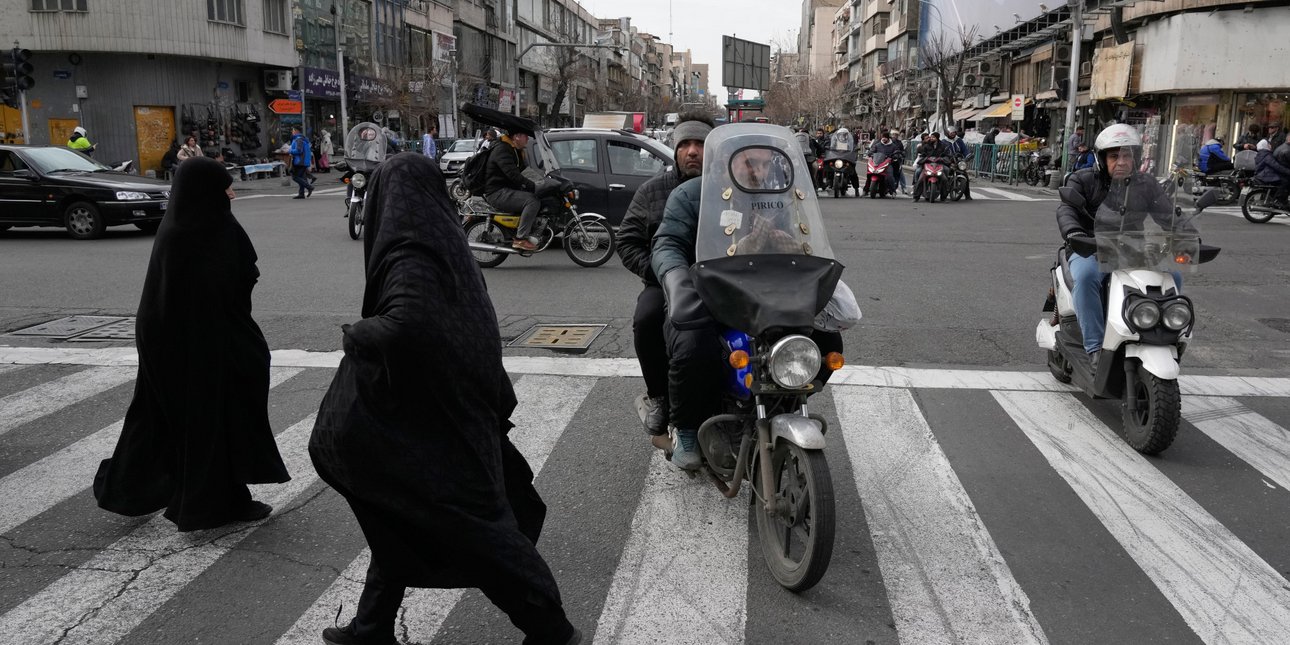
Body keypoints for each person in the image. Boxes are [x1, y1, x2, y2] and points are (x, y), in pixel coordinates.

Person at [309, 153, 579, 645]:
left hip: (437, 420)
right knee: (398, 516)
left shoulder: (410, 252)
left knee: (471, 529)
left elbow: (407, 325)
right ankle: (371, 628)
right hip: (447, 404)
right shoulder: (442, 240)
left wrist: (358, 335)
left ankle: (552, 630)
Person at [93, 156, 288, 532]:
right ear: (204, 192)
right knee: (200, 420)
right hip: (185, 343)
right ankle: (208, 504)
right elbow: (217, 288)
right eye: (224, 188)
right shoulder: (188, 233)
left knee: (189, 418)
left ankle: (133, 488)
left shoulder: (199, 223)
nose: (232, 194)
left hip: (194, 337)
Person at [650, 129, 845, 470]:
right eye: (750, 163)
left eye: (765, 164)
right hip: (708, 288)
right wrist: (678, 279)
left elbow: (802, 238)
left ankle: (784, 401)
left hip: (763, 288)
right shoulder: (691, 194)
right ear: (727, 160)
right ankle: (687, 429)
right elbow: (667, 243)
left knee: (826, 341)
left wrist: (790, 245)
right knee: (692, 345)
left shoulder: (779, 197)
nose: (759, 171)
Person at [616, 113, 713, 449]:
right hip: (666, 282)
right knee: (646, 319)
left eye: (700, 144)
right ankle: (658, 396)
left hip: (723, 282)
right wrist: (660, 273)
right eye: (685, 144)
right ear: (675, 150)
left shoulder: (729, 187)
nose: (692, 151)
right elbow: (627, 242)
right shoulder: (651, 190)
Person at [1055, 123, 1177, 368]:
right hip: (1090, 246)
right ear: (1102, 159)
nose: (1121, 162)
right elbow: (1066, 209)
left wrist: (1184, 232)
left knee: (1172, 277)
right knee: (1087, 277)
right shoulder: (1083, 179)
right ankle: (1094, 347)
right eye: (1114, 156)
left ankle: (1163, 334)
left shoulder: (1147, 184)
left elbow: (1167, 214)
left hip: (1132, 248)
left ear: (1136, 159)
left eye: (1127, 156)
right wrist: (1074, 232)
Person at [484, 125, 541, 251]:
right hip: (497, 192)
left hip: (506, 189)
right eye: (526, 136)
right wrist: (533, 186)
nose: (528, 139)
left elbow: (524, 171)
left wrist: (542, 180)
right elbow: (513, 175)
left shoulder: (515, 149)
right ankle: (521, 239)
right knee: (532, 201)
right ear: (517, 137)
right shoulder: (502, 150)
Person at [1254, 135, 1290, 207]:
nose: (1270, 145)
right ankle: (1279, 201)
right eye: (1268, 144)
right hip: (1266, 175)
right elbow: (1276, 166)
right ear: (1265, 146)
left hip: (1264, 174)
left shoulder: (1262, 153)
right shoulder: (1267, 155)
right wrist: (1287, 171)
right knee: (1285, 182)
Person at [943, 126, 973, 200]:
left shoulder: (959, 140)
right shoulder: (943, 141)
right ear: (947, 133)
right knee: (944, 173)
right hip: (948, 161)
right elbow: (941, 152)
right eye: (951, 133)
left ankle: (967, 195)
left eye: (954, 132)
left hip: (958, 160)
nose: (953, 134)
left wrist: (968, 156)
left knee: (965, 175)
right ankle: (943, 192)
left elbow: (965, 150)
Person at [289, 125, 314, 199]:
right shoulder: (302, 138)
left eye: (293, 130)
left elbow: (299, 150)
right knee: (301, 177)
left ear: (296, 131)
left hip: (300, 161)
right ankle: (301, 193)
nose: (292, 132)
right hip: (303, 160)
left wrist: (290, 151)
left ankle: (309, 187)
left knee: (295, 177)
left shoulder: (298, 139)